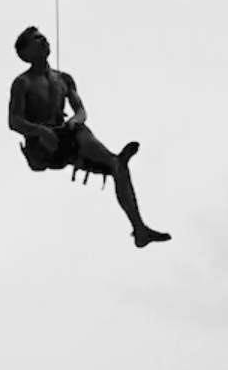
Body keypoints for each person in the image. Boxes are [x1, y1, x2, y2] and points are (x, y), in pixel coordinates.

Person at [9, 26, 171, 248]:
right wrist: (41, 131)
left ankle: (140, 229)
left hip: (66, 136)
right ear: (25, 53)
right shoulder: (23, 83)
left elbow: (81, 111)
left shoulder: (64, 79)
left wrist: (75, 120)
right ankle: (105, 158)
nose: (44, 40)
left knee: (114, 164)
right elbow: (14, 121)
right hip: (41, 145)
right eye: (36, 40)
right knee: (65, 135)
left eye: (43, 37)